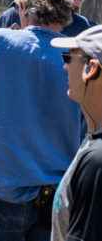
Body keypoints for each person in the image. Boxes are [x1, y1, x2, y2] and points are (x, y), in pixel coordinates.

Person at [0, 0, 84, 241]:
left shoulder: (1, 41)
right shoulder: (78, 59)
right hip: (58, 194)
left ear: (24, 9)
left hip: (8, 190)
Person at [51, 25, 102, 241]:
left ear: (90, 69)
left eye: (68, 57)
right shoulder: (92, 138)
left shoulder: (97, 161)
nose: (64, 66)